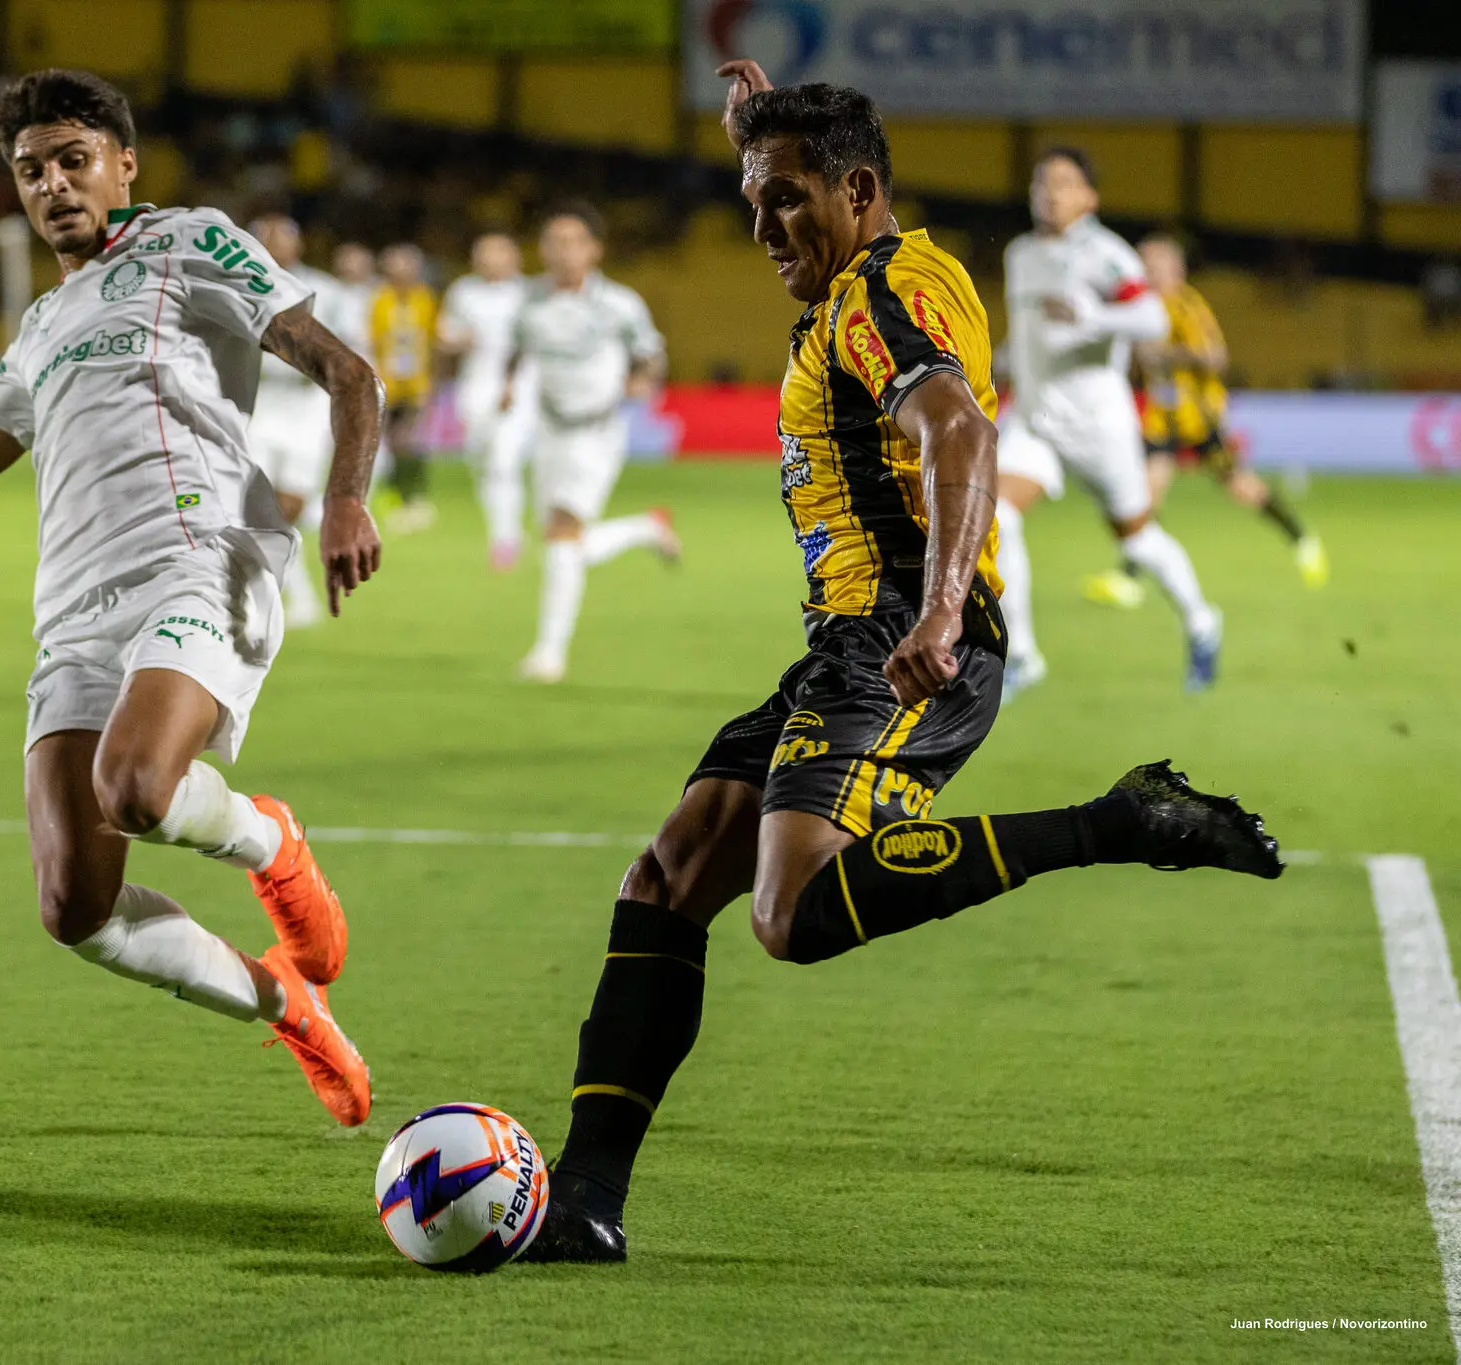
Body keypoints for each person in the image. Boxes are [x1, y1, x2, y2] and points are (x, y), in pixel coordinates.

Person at [520, 68, 1282, 1266]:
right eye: (750, 201)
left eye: (784, 201)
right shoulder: (867, 281)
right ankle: (581, 1204)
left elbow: (959, 433)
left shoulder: (880, 295)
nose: (762, 228)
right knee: (662, 882)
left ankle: (1115, 821)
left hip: (900, 646)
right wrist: (767, 143)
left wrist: (933, 614)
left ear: (858, 190)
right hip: (844, 643)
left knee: (793, 915)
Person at [0, 70, 384, 1126]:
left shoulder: (191, 243)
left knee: (134, 785)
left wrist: (346, 499)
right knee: (73, 909)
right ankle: (283, 1004)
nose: (53, 184)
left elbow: (350, 375)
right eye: (30, 169)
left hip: (199, 559)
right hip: (74, 610)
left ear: (124, 164)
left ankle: (268, 843)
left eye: (74, 159)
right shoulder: (40, 326)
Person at [993, 149, 1222, 699]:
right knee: (993, 515)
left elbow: (1151, 316)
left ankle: (1201, 621)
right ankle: (1020, 656)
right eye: (1042, 182)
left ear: (1090, 198)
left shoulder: (1105, 254)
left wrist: (1095, 317)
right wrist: (998, 359)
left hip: (1098, 423)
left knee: (1138, 541)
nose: (1050, 192)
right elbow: (1027, 336)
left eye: (1066, 184)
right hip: (1034, 416)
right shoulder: (1021, 253)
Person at [1085, 234, 1326, 607]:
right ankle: (1128, 579)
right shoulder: (1141, 306)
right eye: (1143, 264)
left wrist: (1169, 355)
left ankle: (1302, 539)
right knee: (1147, 493)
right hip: (1161, 421)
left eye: (1155, 265)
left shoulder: (1187, 304)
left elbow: (1215, 357)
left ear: (1176, 269)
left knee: (1241, 487)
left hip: (1199, 418)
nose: (1146, 271)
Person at [507, 205, 679, 684]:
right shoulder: (529, 303)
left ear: (594, 249)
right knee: (564, 542)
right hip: (549, 430)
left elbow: (650, 353)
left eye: (574, 241)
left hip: (597, 431)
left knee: (563, 535)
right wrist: (506, 386)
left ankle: (549, 653)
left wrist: (642, 380)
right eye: (554, 241)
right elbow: (517, 348)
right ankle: (645, 528)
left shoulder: (618, 304)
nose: (563, 251)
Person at [247, 213, 348, 627]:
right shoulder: (237, 286)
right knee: (256, 505)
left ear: (298, 244)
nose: (274, 246)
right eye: (264, 239)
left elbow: (345, 346)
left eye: (281, 238)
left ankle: (294, 590)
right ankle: (269, 598)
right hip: (260, 402)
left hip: (307, 407)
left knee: (291, 503)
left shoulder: (326, 290)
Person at [438, 231, 535, 570]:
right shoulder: (464, 292)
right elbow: (444, 334)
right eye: (485, 253)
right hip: (475, 384)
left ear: (514, 258)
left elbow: (533, 342)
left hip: (517, 384)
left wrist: (512, 383)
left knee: (504, 460)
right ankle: (504, 529)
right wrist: (458, 340)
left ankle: (505, 540)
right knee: (480, 460)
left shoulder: (528, 294)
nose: (491, 260)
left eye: (499, 253)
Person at [371, 242, 439, 532]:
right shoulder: (379, 300)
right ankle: (394, 498)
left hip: (415, 383)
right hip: (387, 382)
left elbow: (432, 340)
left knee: (408, 441)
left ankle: (411, 497)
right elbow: (372, 341)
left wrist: (432, 380)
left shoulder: (425, 299)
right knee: (386, 443)